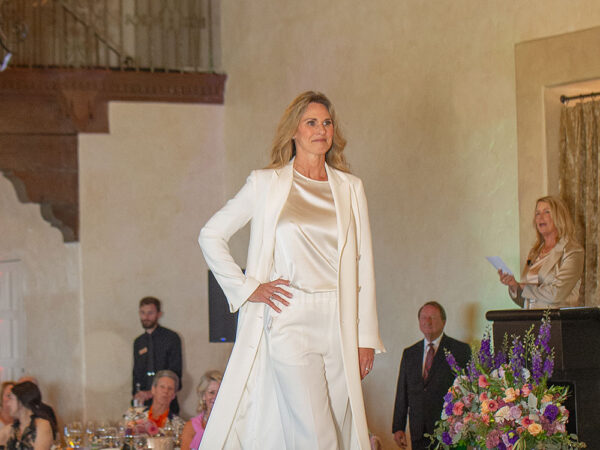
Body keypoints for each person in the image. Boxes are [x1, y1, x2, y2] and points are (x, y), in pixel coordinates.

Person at [198, 91, 384, 449]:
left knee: (336, 428)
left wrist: (366, 338)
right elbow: (211, 235)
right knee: (316, 435)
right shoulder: (266, 183)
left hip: (340, 324)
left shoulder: (350, 188)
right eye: (311, 122)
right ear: (294, 131)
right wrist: (248, 288)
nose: (321, 130)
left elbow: (364, 264)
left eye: (327, 123)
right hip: (290, 317)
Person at [392, 301, 471, 450]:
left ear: (444, 321)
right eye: (424, 317)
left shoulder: (460, 350)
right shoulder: (410, 353)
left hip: (449, 430)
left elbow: (467, 391)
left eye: (433, 317)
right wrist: (398, 427)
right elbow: (402, 392)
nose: (428, 322)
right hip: (418, 431)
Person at [498, 195, 584, 308]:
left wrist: (523, 287)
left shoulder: (572, 251)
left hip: (558, 318)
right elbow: (527, 301)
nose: (540, 217)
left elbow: (556, 293)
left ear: (559, 217)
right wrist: (514, 286)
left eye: (546, 212)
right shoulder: (534, 252)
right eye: (537, 213)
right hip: (532, 318)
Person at [132, 297, 182, 414]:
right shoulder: (138, 342)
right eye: (143, 313)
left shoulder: (171, 338)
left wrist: (152, 392)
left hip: (166, 402)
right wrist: (137, 394)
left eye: (150, 313)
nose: (146, 317)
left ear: (159, 314)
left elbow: (175, 374)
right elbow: (136, 373)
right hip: (143, 404)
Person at [0, 381, 57, 450]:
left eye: (11, 399)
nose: (8, 404)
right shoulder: (10, 430)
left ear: (21, 401)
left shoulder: (42, 426)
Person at [179, 370, 222, 449]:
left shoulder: (232, 424)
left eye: (220, 393)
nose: (216, 397)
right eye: (211, 392)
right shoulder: (191, 426)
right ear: (203, 396)